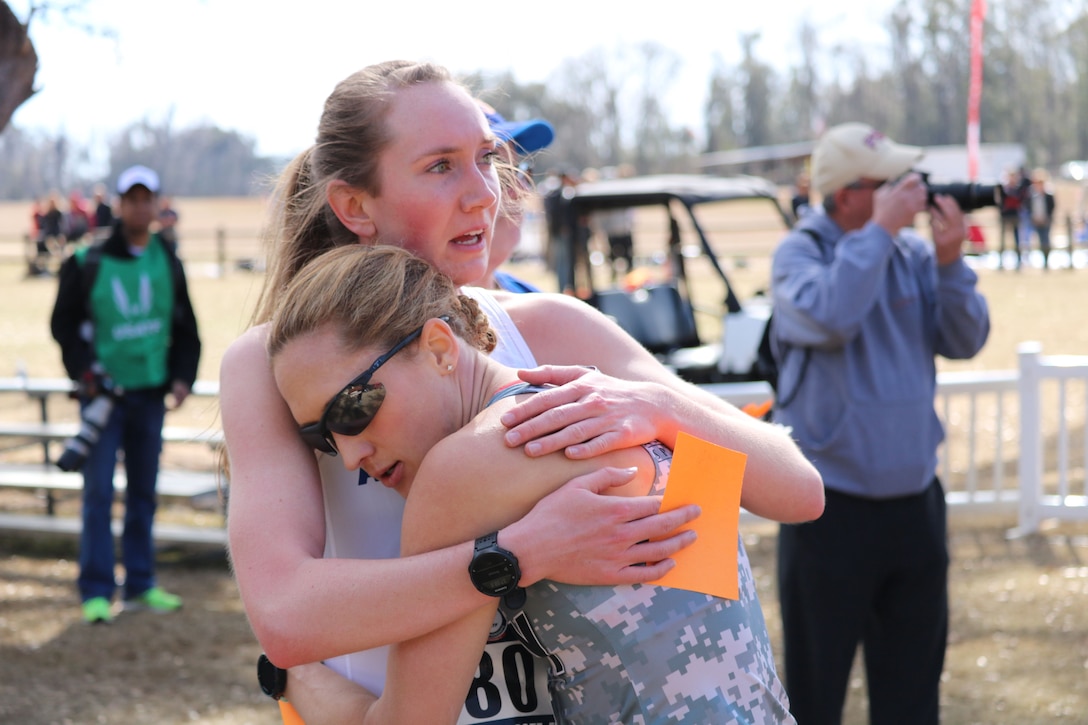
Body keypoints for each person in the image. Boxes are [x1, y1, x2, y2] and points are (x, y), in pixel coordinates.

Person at [219, 60, 823, 723]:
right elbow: (282, 612)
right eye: (440, 166)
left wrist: (659, 407)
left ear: (445, 350)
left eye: (485, 158)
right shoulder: (274, 361)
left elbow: (791, 490)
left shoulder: (552, 329)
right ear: (354, 205)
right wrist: (520, 554)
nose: (484, 192)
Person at [266, 243, 796, 724]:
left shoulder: (461, 473)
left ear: (439, 348)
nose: (351, 454)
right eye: (321, 437)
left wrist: (292, 675)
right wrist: (663, 404)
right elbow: (802, 495)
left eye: (353, 408)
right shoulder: (610, 406)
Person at [769, 122, 990, 724]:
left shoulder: (913, 253)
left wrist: (949, 265)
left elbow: (965, 339)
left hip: (915, 503)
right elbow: (832, 315)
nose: (912, 191)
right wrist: (882, 231)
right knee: (816, 695)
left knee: (912, 695)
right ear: (846, 194)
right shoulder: (799, 254)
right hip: (827, 508)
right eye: (892, 182)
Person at [50, 164, 202, 624]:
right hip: (105, 399)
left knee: (143, 494)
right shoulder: (87, 261)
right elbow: (62, 324)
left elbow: (186, 328)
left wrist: (182, 377)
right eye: (132, 198)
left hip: (150, 396)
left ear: (157, 204)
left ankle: (140, 582)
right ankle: (96, 588)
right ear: (119, 205)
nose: (140, 206)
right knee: (98, 493)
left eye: (147, 198)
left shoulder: (168, 260)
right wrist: (84, 371)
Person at [476, 100, 554, 293]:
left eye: (520, 170)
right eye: (499, 171)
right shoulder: (412, 320)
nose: (521, 190)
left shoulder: (531, 298)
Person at [1028, 168, 1056, 270]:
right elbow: (1029, 207)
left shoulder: (1049, 194)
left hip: (1046, 221)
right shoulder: (1032, 195)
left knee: (1046, 240)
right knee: (1037, 241)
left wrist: (1047, 218)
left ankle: (1047, 260)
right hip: (1035, 221)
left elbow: (1052, 207)